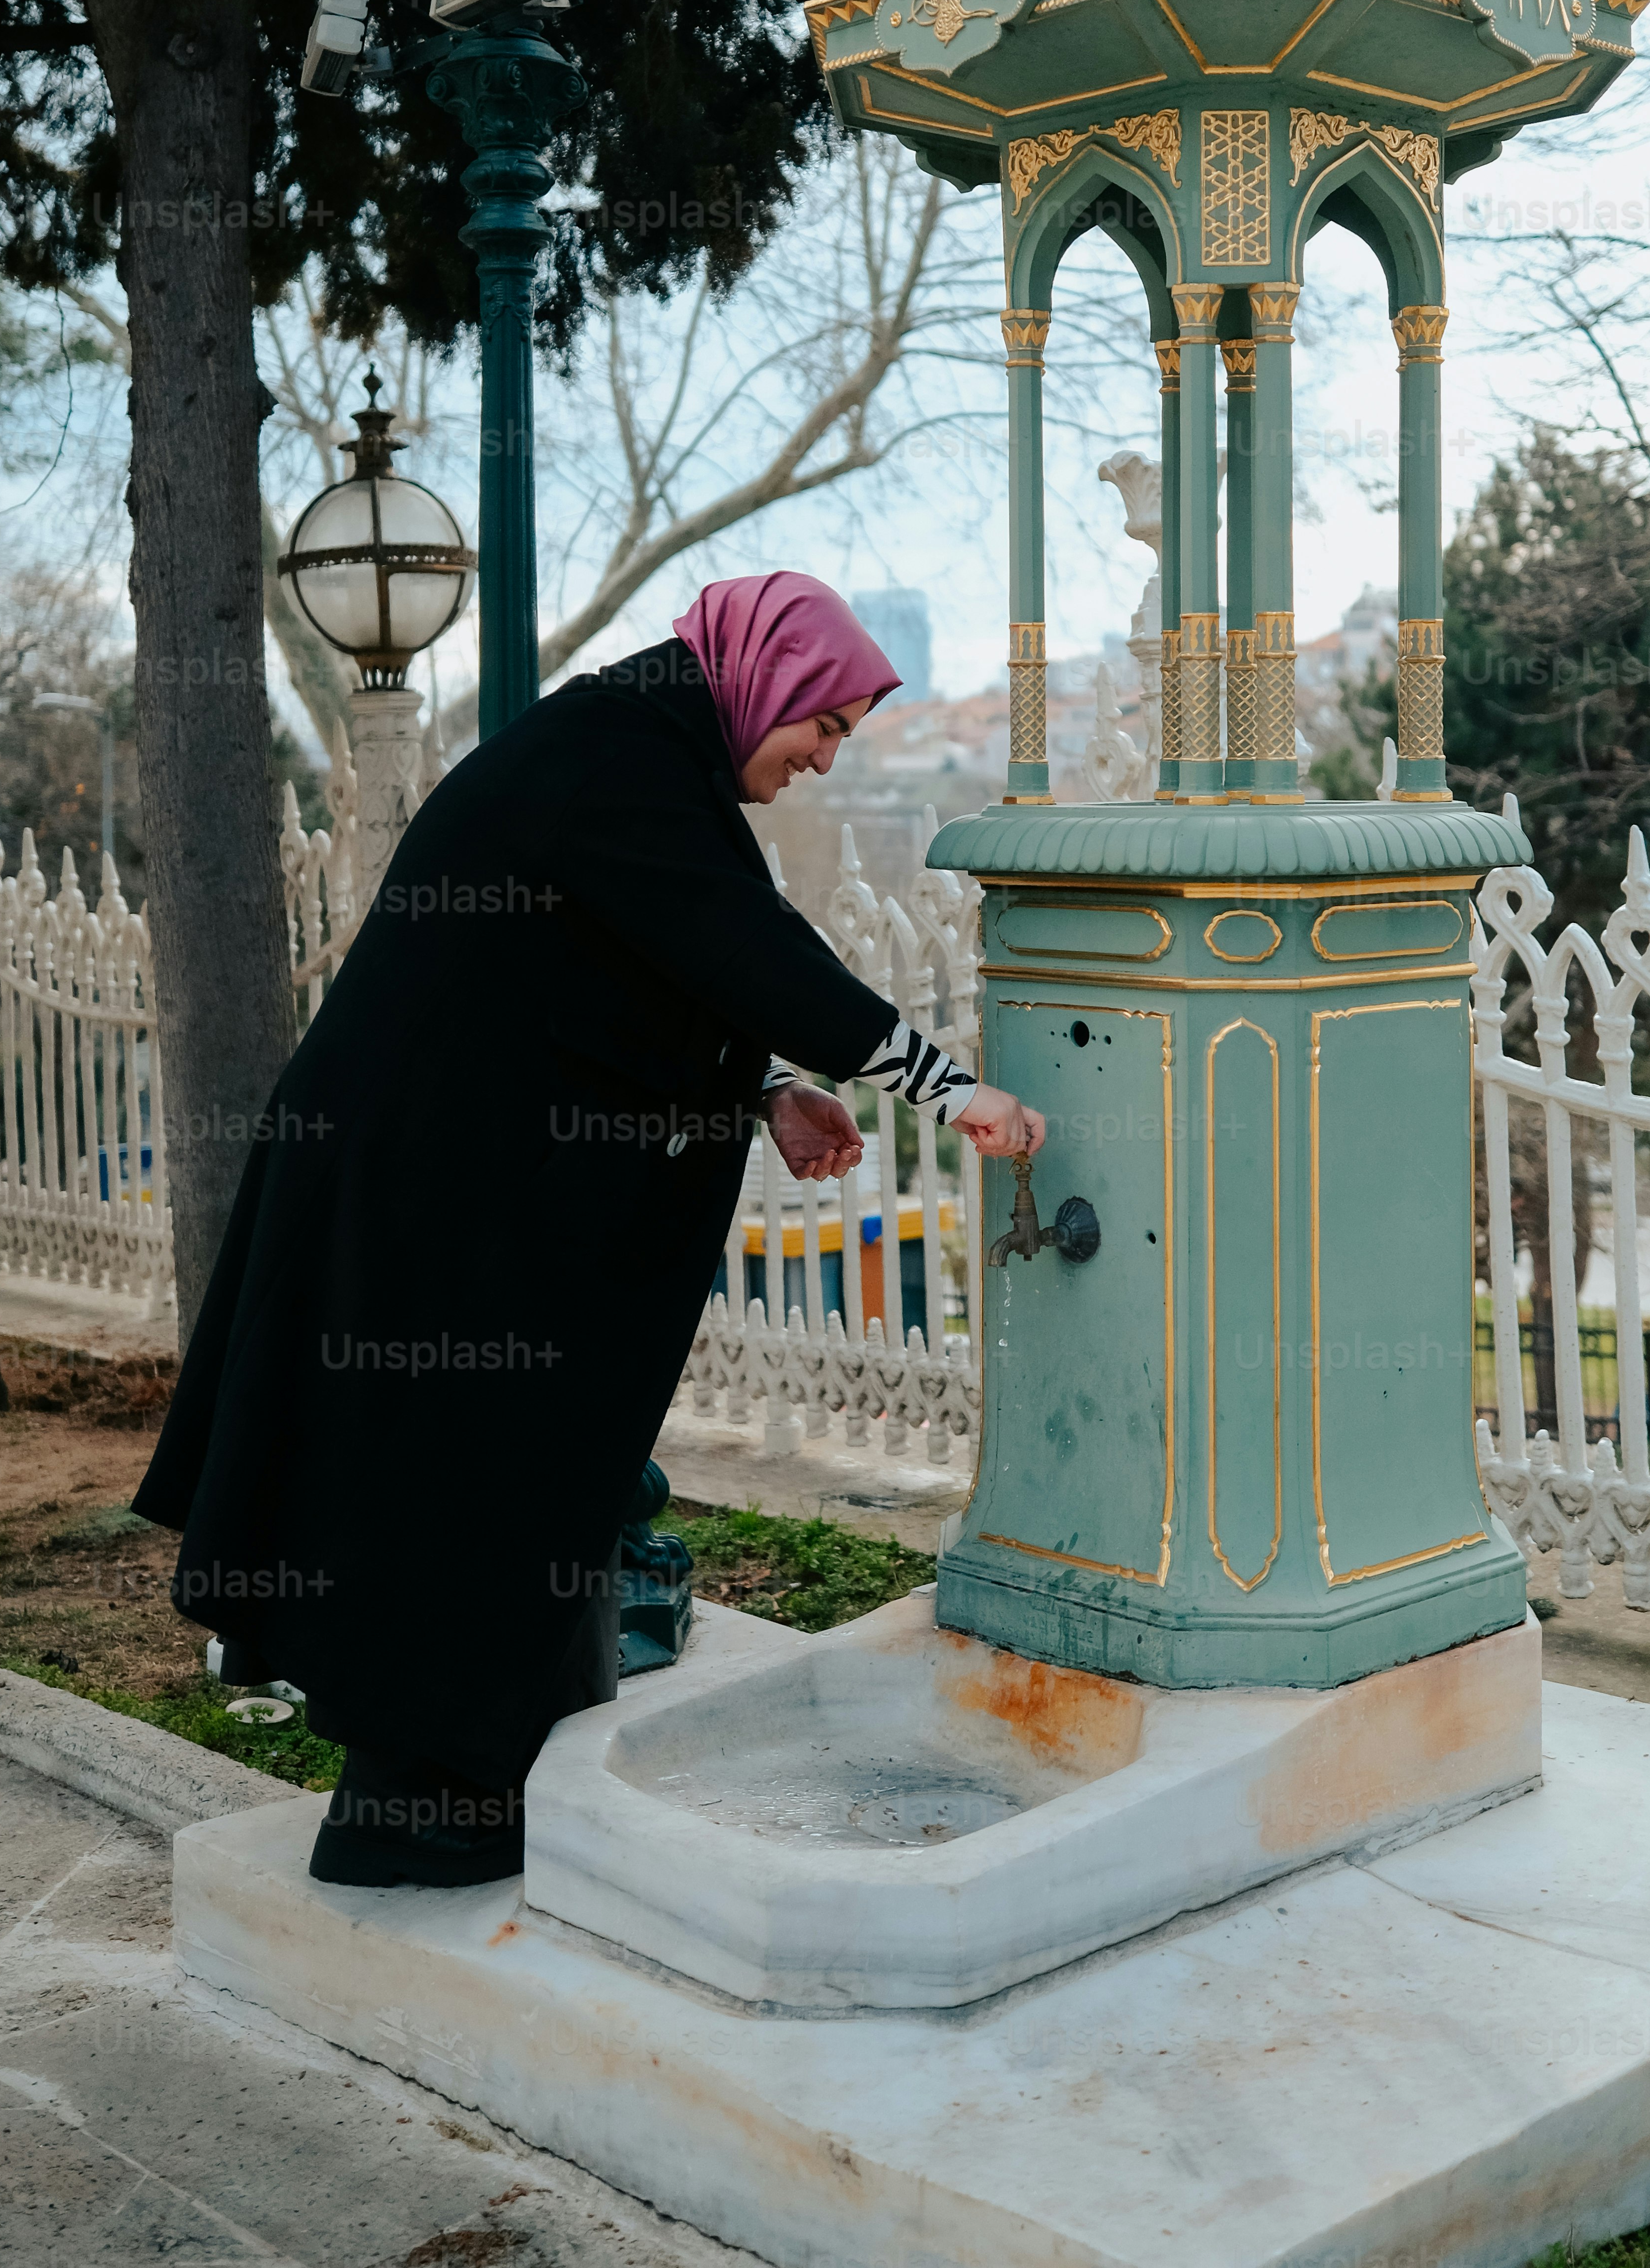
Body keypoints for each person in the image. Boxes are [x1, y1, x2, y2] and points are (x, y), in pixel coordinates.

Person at [134, 573, 1043, 1888]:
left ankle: (471, 1776)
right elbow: (741, 948)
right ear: (767, 679)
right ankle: (424, 1813)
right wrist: (946, 1087)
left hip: (440, 1172)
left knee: (488, 1468)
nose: (822, 761)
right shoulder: (614, 758)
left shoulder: (634, 750)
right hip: (418, 1189)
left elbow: (613, 975)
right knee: (451, 1472)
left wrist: (765, 1090)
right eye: (823, 725)